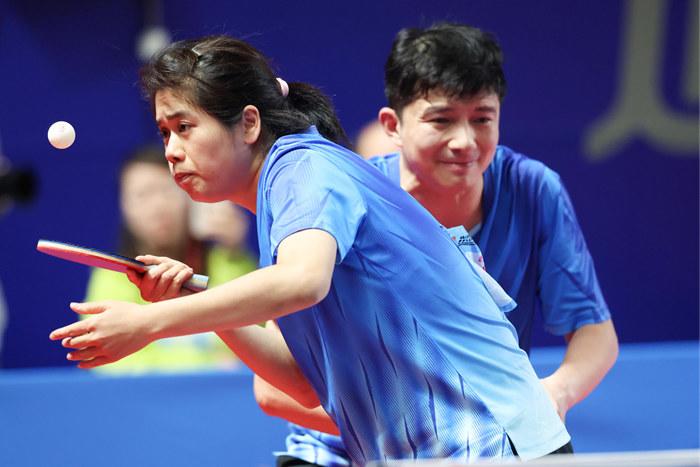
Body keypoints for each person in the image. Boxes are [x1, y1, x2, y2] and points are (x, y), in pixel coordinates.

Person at [50, 35, 570, 464]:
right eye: (165, 133)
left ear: (248, 123)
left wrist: (149, 323)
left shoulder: (304, 168)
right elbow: (301, 382)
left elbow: (302, 282)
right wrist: (196, 301)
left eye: (185, 127)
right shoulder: (282, 215)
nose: (172, 151)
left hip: (497, 444)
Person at [258, 23, 618, 466]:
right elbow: (272, 392)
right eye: (441, 120)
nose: (464, 142)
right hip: (336, 450)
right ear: (392, 125)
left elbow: (595, 333)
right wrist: (410, 434)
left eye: (482, 118)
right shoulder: (339, 193)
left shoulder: (532, 190)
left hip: (483, 446)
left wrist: (556, 393)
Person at [85, 144, 256, 373]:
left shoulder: (227, 260)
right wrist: (210, 364)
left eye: (167, 190)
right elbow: (115, 365)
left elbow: (259, 331)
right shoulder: (112, 277)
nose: (158, 206)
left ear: (190, 199)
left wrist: (234, 253)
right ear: (125, 207)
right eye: (143, 195)